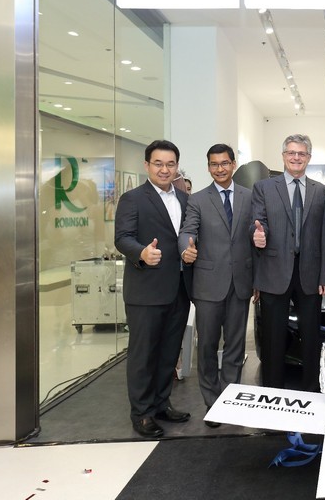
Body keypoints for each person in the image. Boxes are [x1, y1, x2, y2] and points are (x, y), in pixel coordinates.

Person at [114, 139, 191, 438]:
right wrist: (142, 253)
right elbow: (123, 238)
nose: (164, 169)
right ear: (147, 165)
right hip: (145, 290)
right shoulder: (132, 199)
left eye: (170, 164)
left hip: (178, 290)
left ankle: (161, 403)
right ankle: (142, 413)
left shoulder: (184, 198)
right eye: (158, 163)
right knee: (143, 355)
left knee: (169, 352)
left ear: (177, 167)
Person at [178, 144, 253, 428]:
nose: (219, 169)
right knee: (207, 346)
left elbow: (256, 230)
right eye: (214, 164)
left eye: (224, 163)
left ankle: (229, 400)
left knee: (235, 346)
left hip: (240, 283)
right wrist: (186, 249)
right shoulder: (197, 200)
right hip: (208, 284)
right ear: (208, 167)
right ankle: (212, 402)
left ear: (233, 164)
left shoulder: (249, 196)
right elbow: (188, 230)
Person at [251, 134, 325, 392]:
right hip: (274, 272)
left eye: (301, 153)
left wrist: (324, 276)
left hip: (310, 274)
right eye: (291, 153)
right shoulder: (264, 188)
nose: (296, 157)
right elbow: (256, 223)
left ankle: (312, 390)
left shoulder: (322, 192)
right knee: (273, 338)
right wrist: (257, 235)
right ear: (284, 156)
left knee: (311, 337)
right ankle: (273, 390)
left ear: (309, 157)